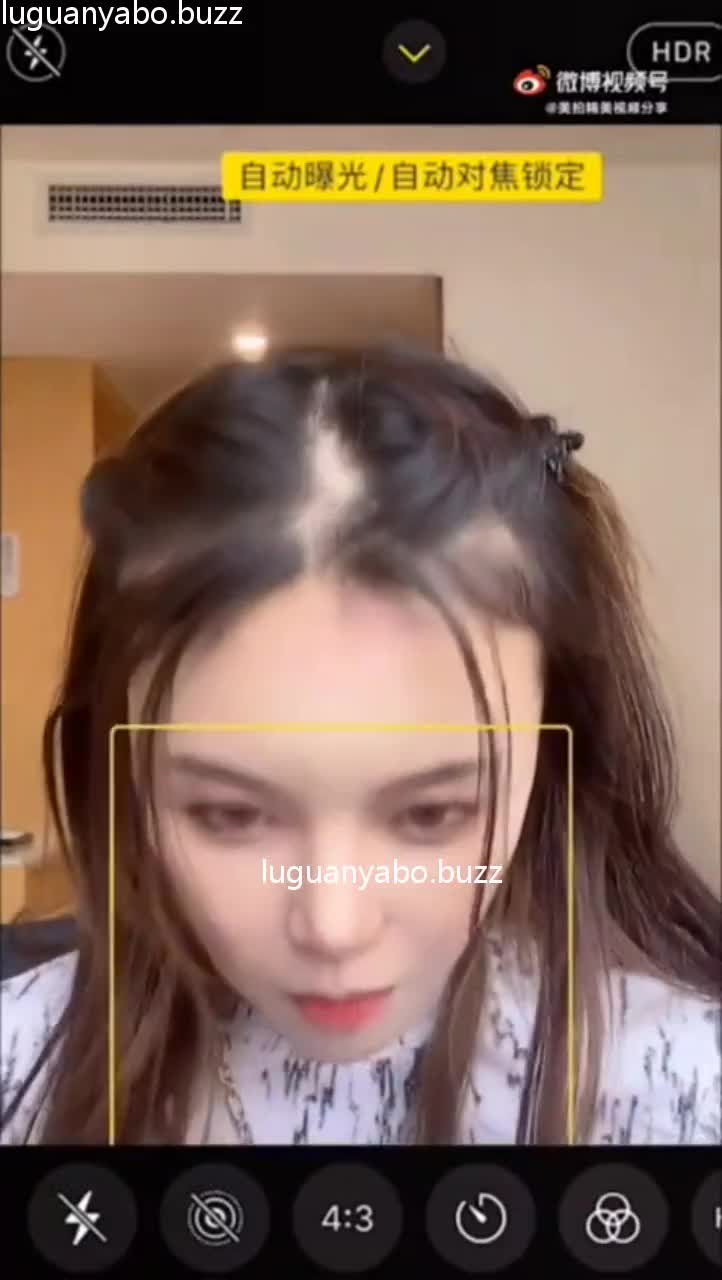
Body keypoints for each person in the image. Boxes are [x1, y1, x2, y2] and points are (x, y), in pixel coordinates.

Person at [1, 343, 719, 1147]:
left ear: (551, 757)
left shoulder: (681, 1089)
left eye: (431, 813)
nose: (334, 926)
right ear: (121, 772)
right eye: (230, 814)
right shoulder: (19, 1072)